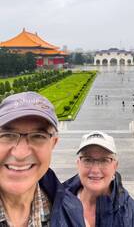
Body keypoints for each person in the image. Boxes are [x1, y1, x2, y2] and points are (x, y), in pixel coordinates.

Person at [0, 92, 84, 226]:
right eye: (7, 135)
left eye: (38, 136)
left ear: (53, 143)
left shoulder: (72, 211)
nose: (21, 154)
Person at [64, 131, 134, 227]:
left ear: (115, 166)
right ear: (78, 164)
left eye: (104, 160)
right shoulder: (57, 203)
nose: (95, 170)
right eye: (88, 160)